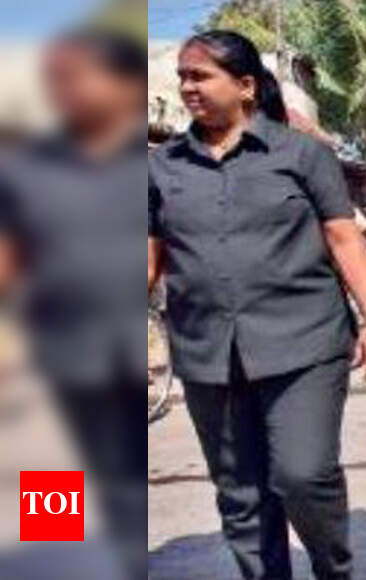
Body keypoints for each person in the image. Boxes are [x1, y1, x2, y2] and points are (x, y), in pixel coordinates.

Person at [148, 30, 366, 580]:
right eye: (183, 76)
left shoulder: (302, 154)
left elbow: (343, 238)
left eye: (200, 75)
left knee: (304, 476)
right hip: (208, 352)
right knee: (240, 493)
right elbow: (148, 259)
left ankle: (333, 569)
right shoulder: (163, 167)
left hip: (303, 344)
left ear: (245, 86)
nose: (187, 87)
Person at [0, 28, 149, 579]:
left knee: (129, 471)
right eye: (54, 79)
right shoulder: (24, 167)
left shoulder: (156, 166)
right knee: (54, 472)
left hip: (134, 344)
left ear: (126, 84)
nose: (60, 90)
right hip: (56, 346)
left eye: (75, 76)